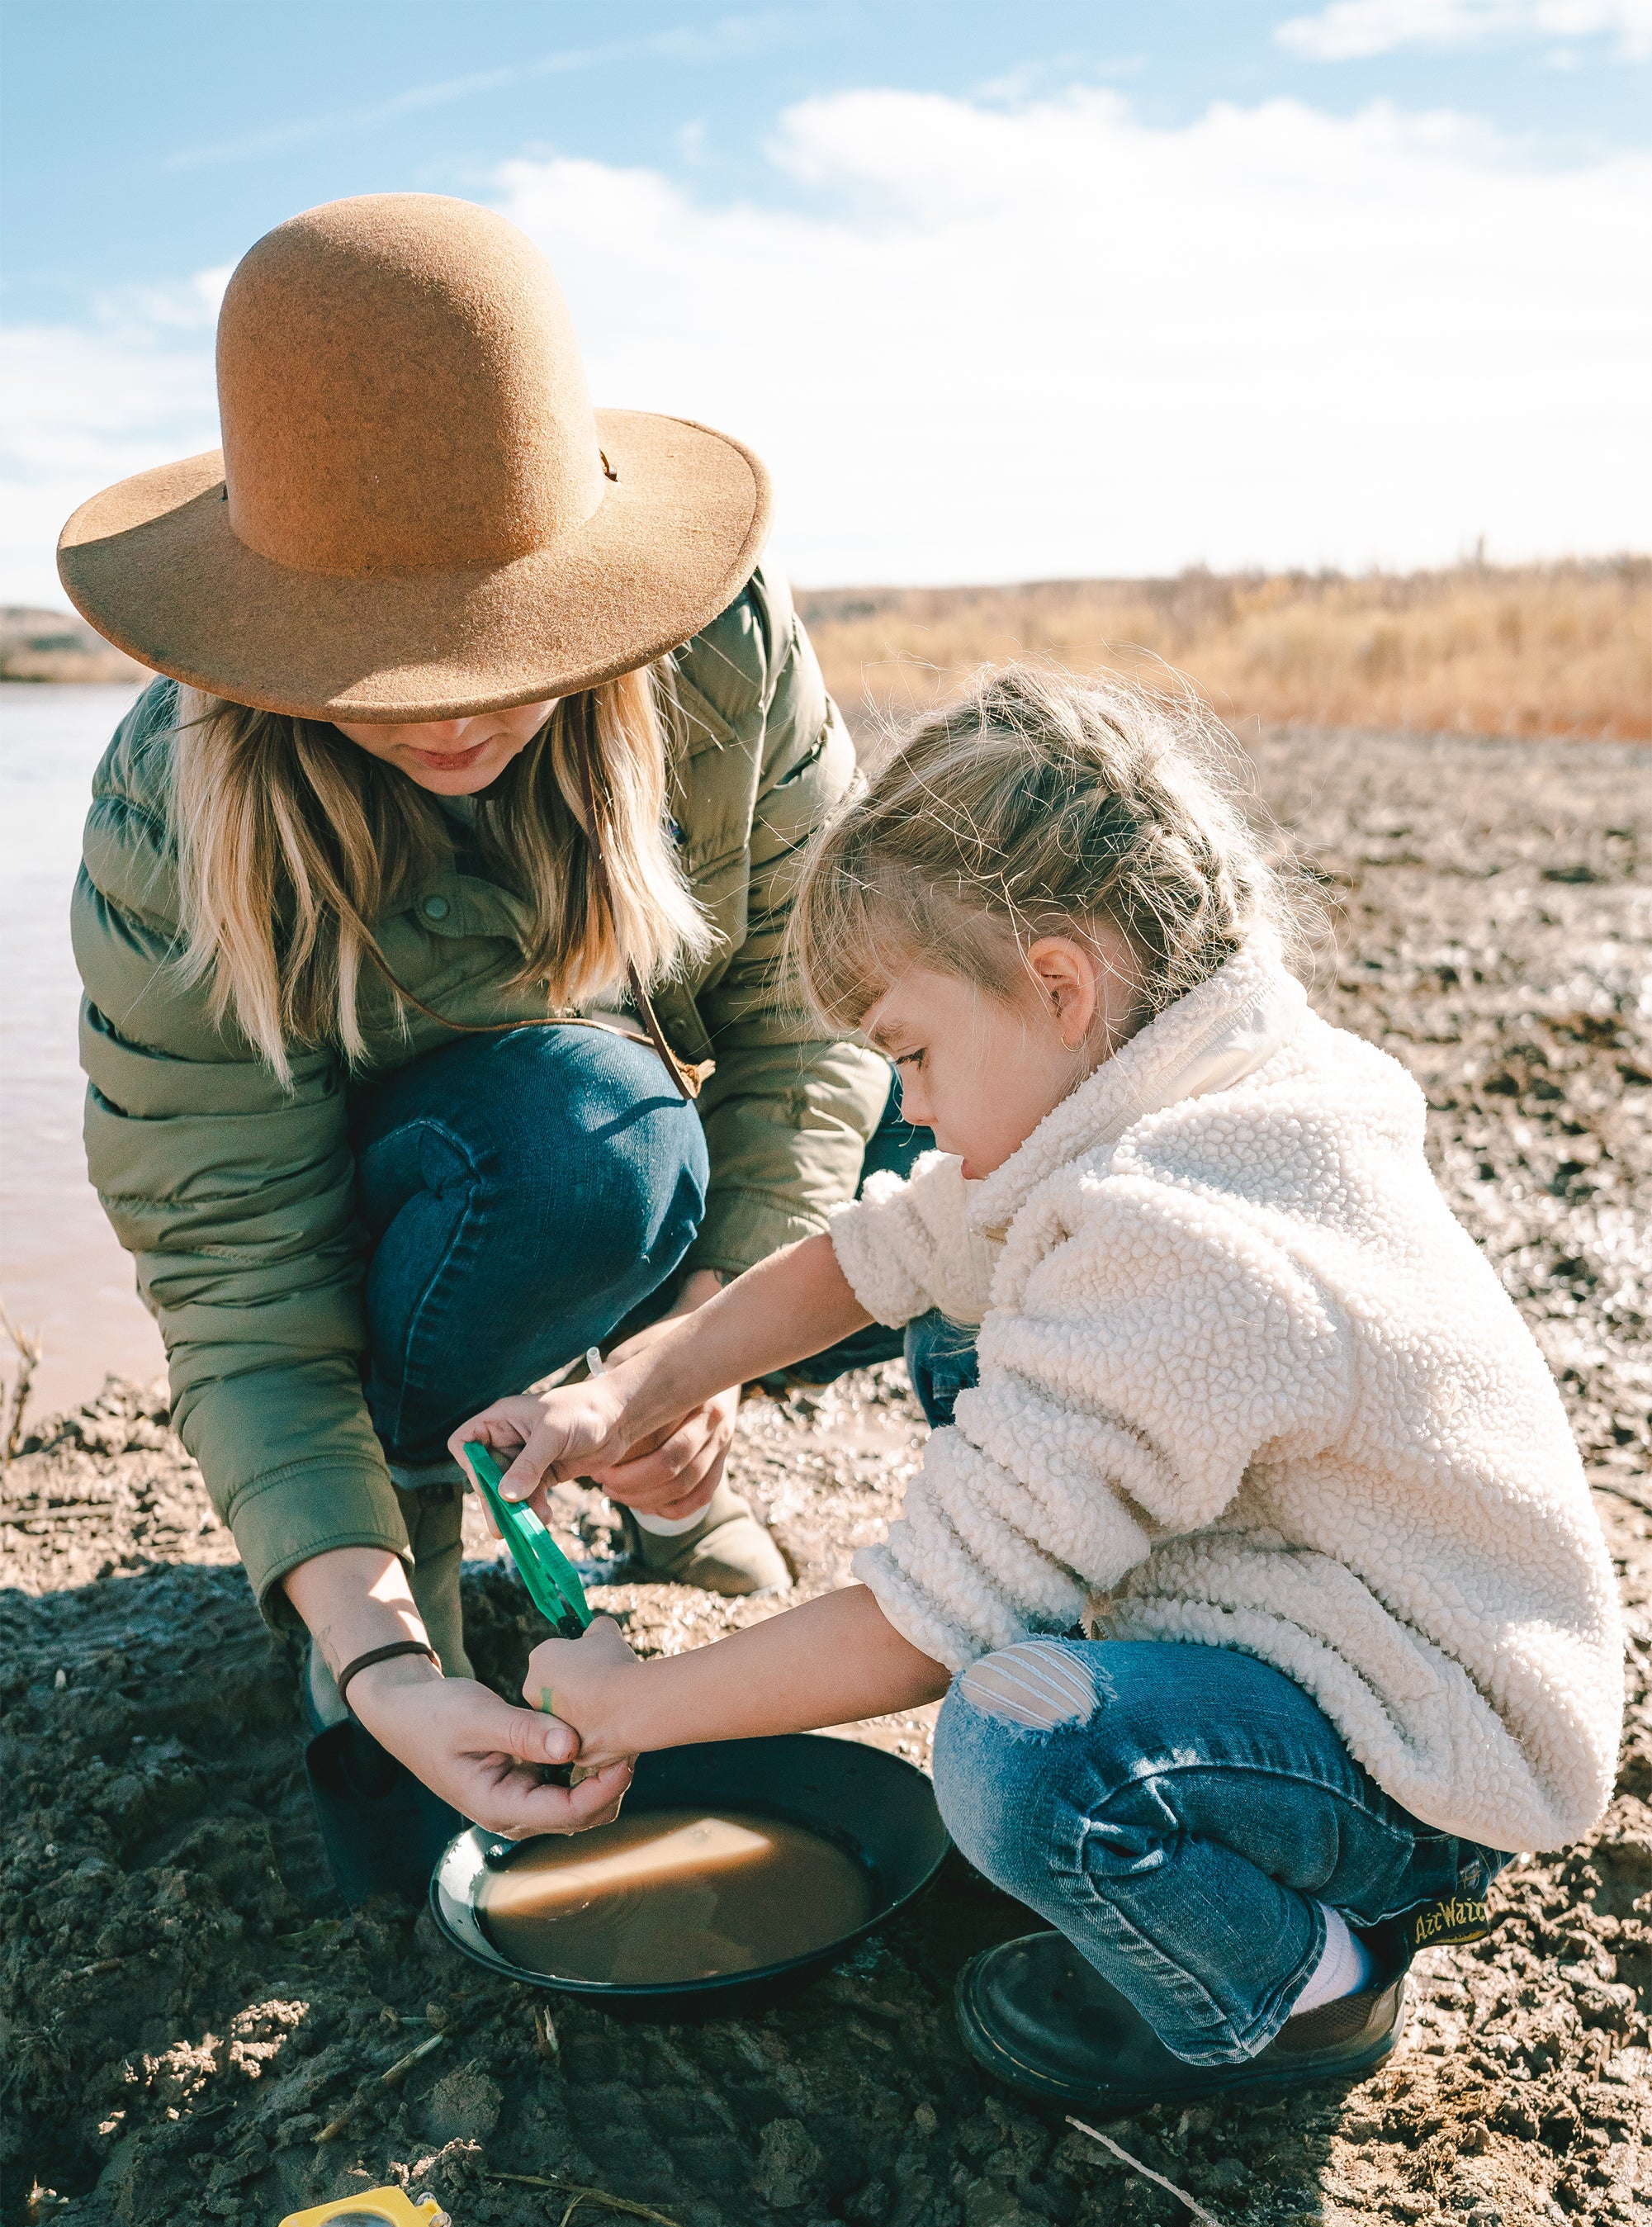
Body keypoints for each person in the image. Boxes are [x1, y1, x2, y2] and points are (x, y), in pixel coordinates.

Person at [453, 665, 1625, 2107]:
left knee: (1019, 1755)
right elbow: (872, 1256)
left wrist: (628, 1707)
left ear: (1059, 983)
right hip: (1343, 1614)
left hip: (1420, 1756)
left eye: (914, 1054)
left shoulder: (1182, 1234)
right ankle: (1214, 1816)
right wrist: (622, 1392)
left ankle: (1301, 1989)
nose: (918, 1110)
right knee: (960, 1318)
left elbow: (921, 1631)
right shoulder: (1174, 1083)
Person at [59, 192, 888, 1841]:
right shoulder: (174, 810)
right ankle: (427, 1492)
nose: (470, 708)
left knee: (998, 1086)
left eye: (514, 634)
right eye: (388, 662)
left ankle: (647, 1457)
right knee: (587, 1144)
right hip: (468, 1187)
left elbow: (819, 1012)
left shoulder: (721, 649)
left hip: (653, 1153)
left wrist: (693, 1357)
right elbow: (235, 1267)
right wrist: (368, 1651)